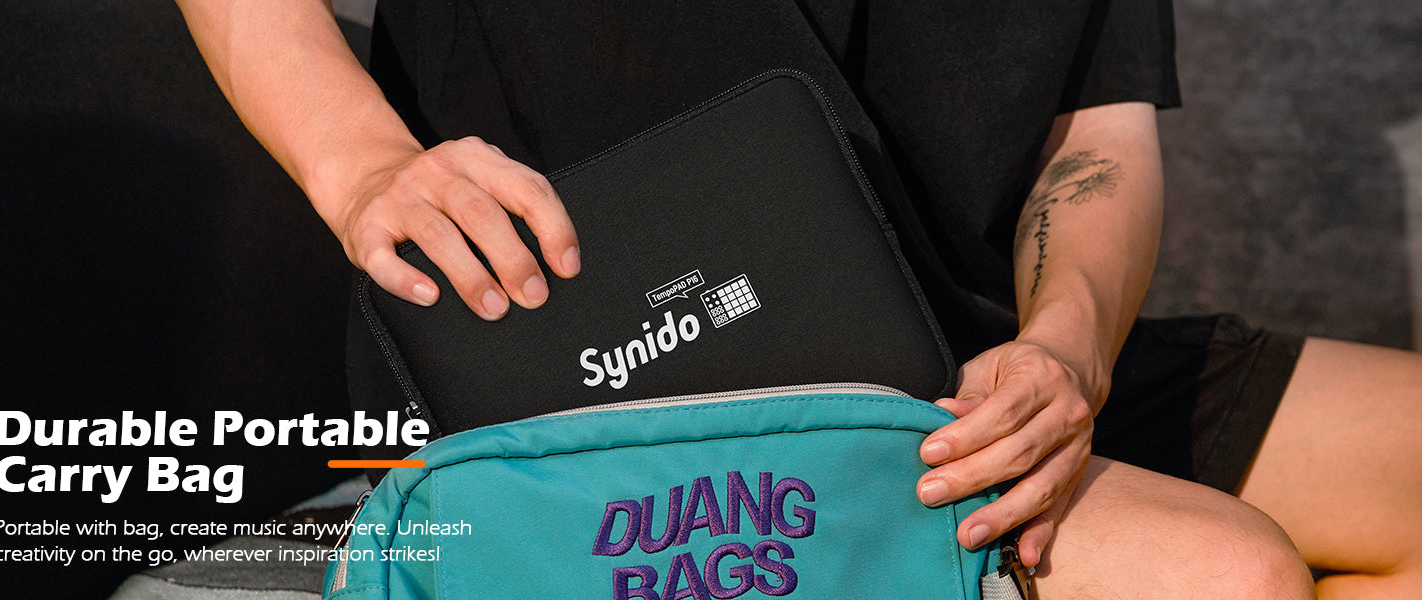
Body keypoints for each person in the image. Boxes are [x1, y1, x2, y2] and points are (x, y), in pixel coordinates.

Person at [176, 1, 1420, 597]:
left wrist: (1067, 350)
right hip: (602, 401)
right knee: (1230, 577)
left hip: (958, 352)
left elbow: (1097, 137)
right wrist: (363, 164)